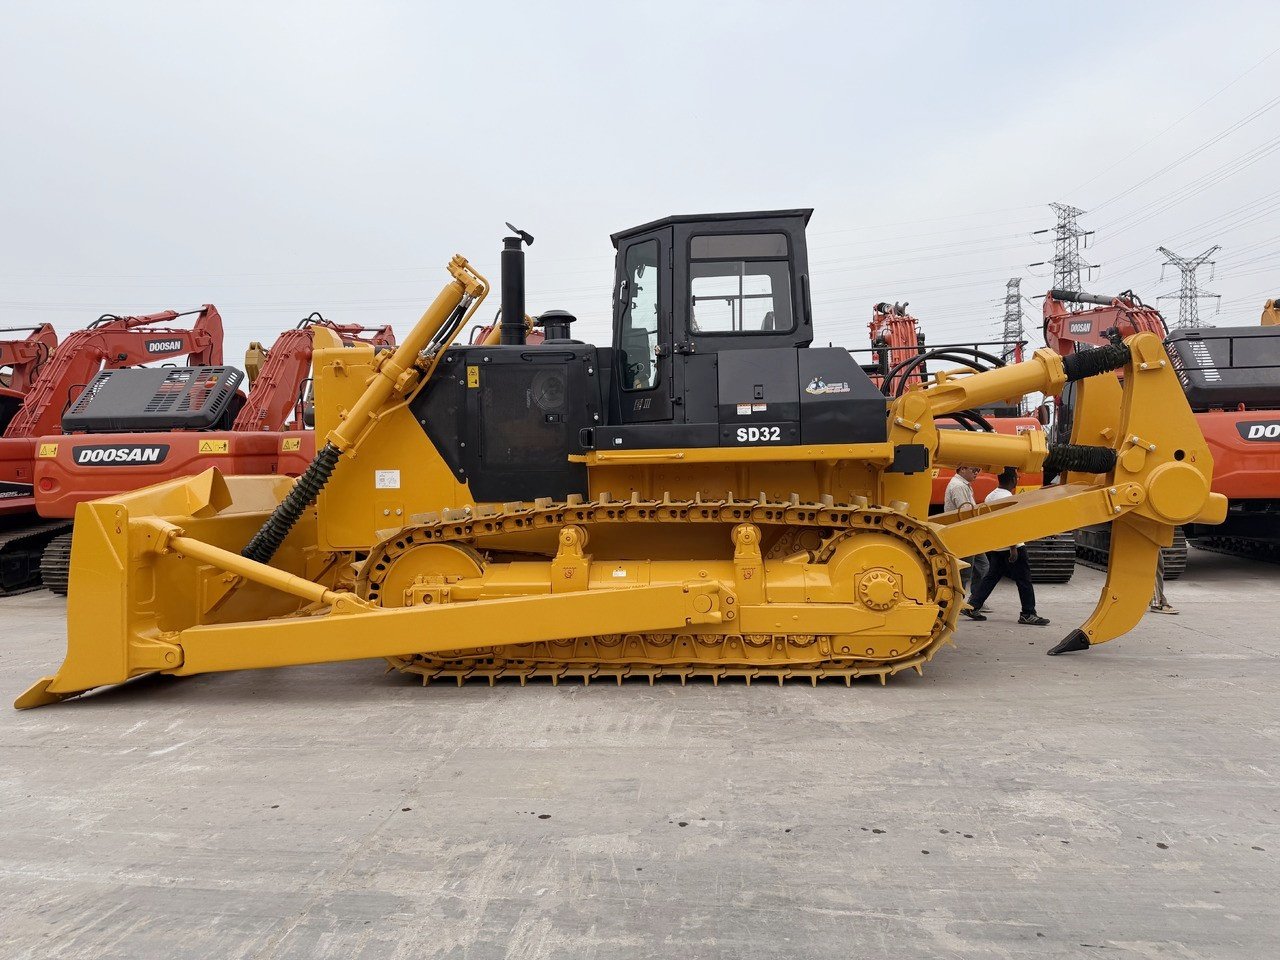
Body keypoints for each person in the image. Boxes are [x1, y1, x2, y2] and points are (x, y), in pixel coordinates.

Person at [961, 467, 1050, 626]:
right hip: (1012, 548)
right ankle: (1028, 613)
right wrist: (1013, 547)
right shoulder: (1008, 498)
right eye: (1017, 477)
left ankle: (973, 605)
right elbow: (1009, 525)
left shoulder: (990, 496)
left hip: (997, 546)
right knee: (1024, 580)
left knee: (991, 577)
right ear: (1014, 480)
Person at [944, 464, 989, 606]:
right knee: (964, 571)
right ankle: (957, 603)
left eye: (978, 470)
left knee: (983, 566)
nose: (976, 473)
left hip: (970, 533)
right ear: (962, 469)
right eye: (973, 470)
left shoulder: (964, 485)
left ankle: (976, 600)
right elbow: (965, 511)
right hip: (963, 533)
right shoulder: (959, 486)